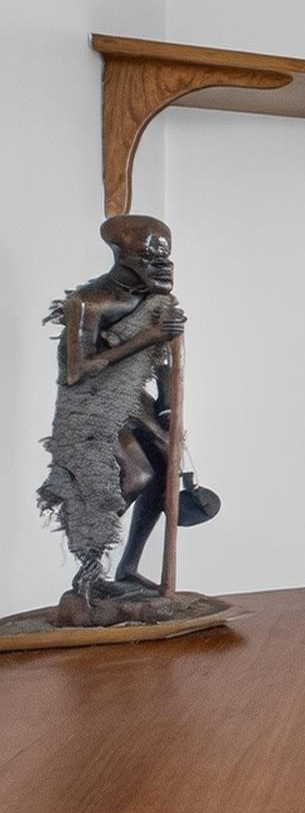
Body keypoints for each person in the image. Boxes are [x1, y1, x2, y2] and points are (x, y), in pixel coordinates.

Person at [38, 215, 185, 613]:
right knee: (138, 476)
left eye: (166, 257)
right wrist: (148, 336)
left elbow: (162, 359)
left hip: (131, 400)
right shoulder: (87, 302)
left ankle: (128, 568)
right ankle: (89, 570)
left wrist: (167, 405)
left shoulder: (155, 301)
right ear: (122, 256)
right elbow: (77, 371)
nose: (163, 266)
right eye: (150, 257)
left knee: (167, 465)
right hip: (88, 407)